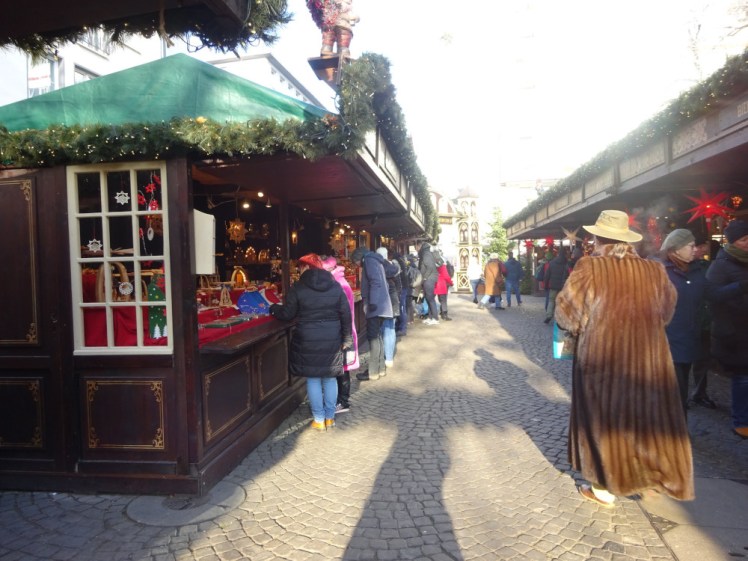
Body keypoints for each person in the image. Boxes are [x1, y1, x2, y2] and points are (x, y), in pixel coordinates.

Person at [555, 210, 693, 507]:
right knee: (645, 418)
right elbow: (667, 312)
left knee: (604, 420)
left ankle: (603, 488)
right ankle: (646, 477)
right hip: (649, 359)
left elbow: (567, 314)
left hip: (602, 360)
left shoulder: (589, 267)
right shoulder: (654, 270)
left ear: (597, 237)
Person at [270, 253, 352, 431]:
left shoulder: (298, 287)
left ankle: (319, 419)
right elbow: (346, 313)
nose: (298, 270)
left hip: (308, 338)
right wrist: (347, 338)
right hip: (332, 337)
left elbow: (287, 314)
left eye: (300, 267)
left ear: (306, 268)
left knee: (314, 379)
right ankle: (330, 417)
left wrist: (273, 308)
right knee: (330, 377)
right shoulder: (335, 285)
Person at [655, 229, 711, 416]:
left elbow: (712, 294)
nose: (695, 249)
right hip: (666, 343)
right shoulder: (659, 271)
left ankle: (677, 432)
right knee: (673, 395)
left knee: (681, 392)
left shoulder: (696, 270)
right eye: (691, 246)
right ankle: (675, 435)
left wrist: (740, 286)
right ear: (676, 249)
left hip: (688, 342)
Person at [705, 219, 748, 439]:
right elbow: (711, 295)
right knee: (742, 377)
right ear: (733, 242)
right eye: (744, 239)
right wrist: (739, 287)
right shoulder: (720, 265)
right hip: (734, 331)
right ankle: (741, 421)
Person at [350, 246, 398, 381]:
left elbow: (375, 282)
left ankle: (372, 372)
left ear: (359, 259)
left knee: (373, 338)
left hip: (376, 307)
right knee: (378, 336)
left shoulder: (369, 261)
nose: (357, 266)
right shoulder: (375, 260)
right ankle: (380, 369)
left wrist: (372, 303)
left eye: (356, 263)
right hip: (382, 306)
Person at [322, 256, 358, 414]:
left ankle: (343, 401)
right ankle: (339, 399)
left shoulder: (339, 285)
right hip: (342, 329)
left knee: (343, 368)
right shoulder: (338, 282)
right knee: (341, 366)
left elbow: (344, 312)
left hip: (343, 330)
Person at [688, 238, 720, 409]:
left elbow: (713, 291)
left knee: (702, 360)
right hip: (685, 324)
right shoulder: (677, 268)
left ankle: (699, 393)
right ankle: (678, 395)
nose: (701, 250)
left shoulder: (706, 266)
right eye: (699, 246)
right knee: (681, 363)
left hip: (704, 322)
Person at [377, 247, 400, 369]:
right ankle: (389, 358)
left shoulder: (377, 268)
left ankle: (384, 355)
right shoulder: (394, 268)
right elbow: (399, 286)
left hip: (384, 303)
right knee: (390, 329)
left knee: (384, 329)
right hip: (394, 302)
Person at [416, 239, 440, 325]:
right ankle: (430, 317)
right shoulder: (426, 253)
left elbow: (429, 267)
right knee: (428, 298)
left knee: (430, 299)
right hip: (430, 278)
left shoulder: (426, 254)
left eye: (416, 247)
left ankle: (435, 318)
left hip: (429, 279)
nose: (416, 249)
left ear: (419, 246)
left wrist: (425, 278)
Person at [544, 248, 569, 324]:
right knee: (561, 302)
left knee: (551, 301)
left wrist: (546, 285)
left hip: (553, 286)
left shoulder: (552, 263)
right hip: (563, 287)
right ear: (565, 254)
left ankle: (549, 315)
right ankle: (560, 317)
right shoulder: (566, 263)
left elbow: (547, 275)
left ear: (558, 254)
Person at [434, 251, 454, 321]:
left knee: (437, 300)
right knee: (443, 300)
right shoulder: (443, 265)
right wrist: (451, 283)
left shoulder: (433, 263)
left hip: (434, 283)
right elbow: (446, 276)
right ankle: (444, 314)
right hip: (442, 284)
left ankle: (436, 313)